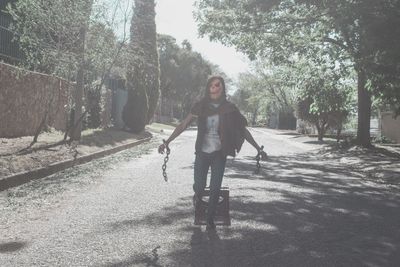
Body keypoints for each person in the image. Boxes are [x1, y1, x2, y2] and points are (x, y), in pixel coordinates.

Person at [158, 75, 267, 230]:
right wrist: (167, 142)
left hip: (219, 153)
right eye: (212, 86)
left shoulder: (229, 108)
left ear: (222, 88)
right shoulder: (200, 106)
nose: (215, 88)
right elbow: (183, 125)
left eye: (218, 85)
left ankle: (210, 219)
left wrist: (258, 148)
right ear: (208, 88)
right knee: (200, 186)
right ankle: (197, 197)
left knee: (216, 188)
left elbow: (243, 130)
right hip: (202, 152)